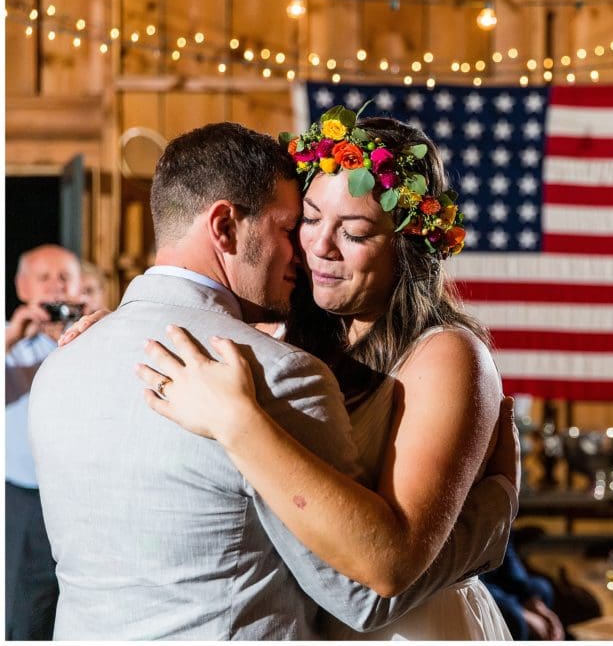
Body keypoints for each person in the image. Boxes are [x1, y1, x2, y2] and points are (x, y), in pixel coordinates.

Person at [28, 121, 517, 639]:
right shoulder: (281, 340)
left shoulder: (445, 354)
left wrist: (494, 513)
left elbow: (382, 576)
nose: (319, 247)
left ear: (406, 247)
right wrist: (125, 329)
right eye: (304, 222)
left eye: (353, 232)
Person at [6, 244, 81, 640]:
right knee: (24, 608)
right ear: (22, 288)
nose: (56, 289)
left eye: (64, 277)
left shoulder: (92, 337)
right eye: (44, 278)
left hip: (82, 495)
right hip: (25, 498)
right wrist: (15, 333)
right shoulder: (12, 345)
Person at [482, 536, 566, 640]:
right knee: (516, 620)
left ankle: (542, 630)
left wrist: (534, 602)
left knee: (543, 588)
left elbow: (508, 553)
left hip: (498, 579)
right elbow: (473, 582)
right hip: (476, 584)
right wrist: (523, 613)